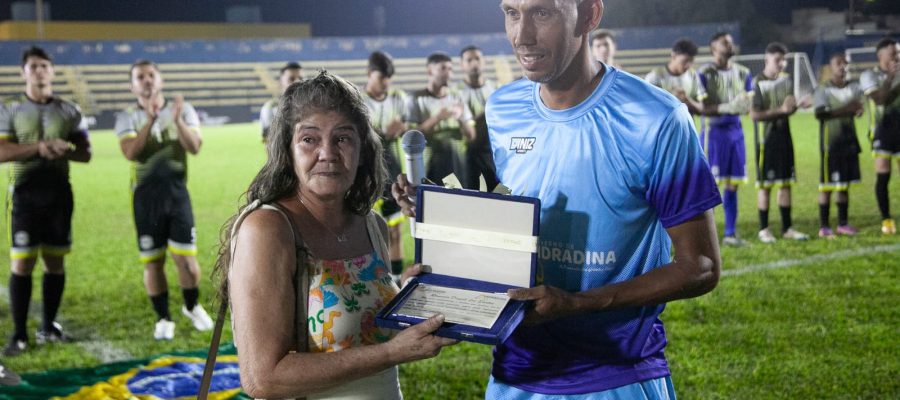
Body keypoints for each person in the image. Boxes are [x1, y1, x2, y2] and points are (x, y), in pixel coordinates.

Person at [395, 0, 722, 397]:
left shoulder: (657, 119)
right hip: (515, 374)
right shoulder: (503, 109)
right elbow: (521, 224)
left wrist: (579, 303)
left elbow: (700, 266)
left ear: (589, 15)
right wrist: (444, 226)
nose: (522, 35)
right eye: (512, 12)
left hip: (617, 375)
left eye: (542, 13)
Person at [213, 71, 456, 399]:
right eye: (309, 139)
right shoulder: (268, 229)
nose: (327, 152)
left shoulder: (372, 225)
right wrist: (392, 353)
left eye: (342, 138)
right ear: (289, 150)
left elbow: (362, 322)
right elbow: (263, 378)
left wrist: (406, 299)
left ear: (362, 149)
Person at [0, 46, 92, 356]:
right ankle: (19, 334)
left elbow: (86, 153)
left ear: (52, 71)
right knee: (22, 262)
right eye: (33, 66)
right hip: (25, 194)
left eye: (44, 66)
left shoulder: (70, 110)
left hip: (58, 194)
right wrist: (40, 147)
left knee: (55, 262)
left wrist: (63, 149)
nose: (39, 71)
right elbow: (2, 152)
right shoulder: (10, 109)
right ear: (23, 72)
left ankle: (49, 326)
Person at [115, 59, 213, 340]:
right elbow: (131, 152)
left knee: (187, 260)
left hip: (177, 194)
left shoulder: (183, 110)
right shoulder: (127, 117)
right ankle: (163, 317)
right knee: (153, 262)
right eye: (140, 77)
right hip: (145, 198)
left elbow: (194, 147)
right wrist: (150, 120)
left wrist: (178, 119)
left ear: (160, 81)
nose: (146, 80)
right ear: (132, 86)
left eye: (151, 75)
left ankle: (192, 306)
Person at [749, 42, 810, 243]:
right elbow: (754, 114)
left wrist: (797, 106)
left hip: (785, 138)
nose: (782, 64)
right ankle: (764, 229)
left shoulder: (787, 80)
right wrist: (782, 111)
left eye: (784, 60)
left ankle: (787, 228)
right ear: (767, 60)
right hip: (765, 142)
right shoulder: (757, 81)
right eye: (778, 60)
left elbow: (788, 108)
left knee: (785, 184)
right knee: (765, 186)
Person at [698, 32, 754, 246]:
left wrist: (744, 105)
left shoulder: (744, 72)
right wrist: (728, 107)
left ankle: (730, 234)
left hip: (736, 134)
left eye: (730, 42)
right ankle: (704, 237)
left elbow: (748, 104)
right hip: (713, 134)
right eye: (725, 42)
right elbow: (703, 108)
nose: (730, 45)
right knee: (708, 187)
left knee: (733, 185)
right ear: (714, 48)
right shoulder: (704, 72)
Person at [362, 51, 409, 281]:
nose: (386, 83)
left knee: (394, 229)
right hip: (364, 171)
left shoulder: (398, 97)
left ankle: (396, 280)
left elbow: (407, 125)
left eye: (389, 78)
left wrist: (401, 128)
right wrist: (384, 133)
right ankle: (368, 278)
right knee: (362, 230)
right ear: (370, 74)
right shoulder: (357, 100)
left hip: (391, 166)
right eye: (382, 78)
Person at [813, 53, 864, 238]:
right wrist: (847, 109)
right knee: (826, 185)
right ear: (830, 66)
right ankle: (824, 226)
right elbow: (819, 114)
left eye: (845, 64)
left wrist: (858, 111)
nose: (842, 67)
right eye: (838, 63)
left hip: (849, 143)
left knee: (844, 185)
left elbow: (859, 106)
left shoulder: (853, 88)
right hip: (830, 145)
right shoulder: (823, 89)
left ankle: (843, 223)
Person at [407, 52, 475, 187]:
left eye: (450, 69)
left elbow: (471, 135)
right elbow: (411, 137)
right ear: (430, 71)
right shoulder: (416, 98)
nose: (448, 73)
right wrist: (437, 118)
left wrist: (461, 118)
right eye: (443, 68)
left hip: (457, 167)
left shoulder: (457, 97)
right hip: (430, 166)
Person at [860, 37, 900, 235]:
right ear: (881, 55)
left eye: (898, 53)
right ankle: (887, 219)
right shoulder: (869, 75)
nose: (897, 57)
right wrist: (890, 78)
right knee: (883, 176)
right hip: (881, 131)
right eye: (893, 53)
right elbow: (880, 100)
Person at [457, 45, 499, 191]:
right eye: (469, 60)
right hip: (472, 156)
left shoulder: (496, 89)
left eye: (477, 59)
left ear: (484, 61)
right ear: (462, 65)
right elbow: (469, 131)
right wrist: (488, 110)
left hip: (496, 154)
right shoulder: (457, 93)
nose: (474, 63)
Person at [645, 38, 706, 114]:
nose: (688, 65)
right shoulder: (655, 76)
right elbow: (647, 107)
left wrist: (686, 100)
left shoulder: (693, 75)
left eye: (691, 61)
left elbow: (702, 108)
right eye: (685, 61)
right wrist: (671, 98)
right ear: (673, 56)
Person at [260, 61, 304, 142]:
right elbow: (269, 144)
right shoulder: (270, 109)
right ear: (281, 82)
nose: (297, 82)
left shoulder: (313, 107)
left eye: (300, 78)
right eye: (291, 79)